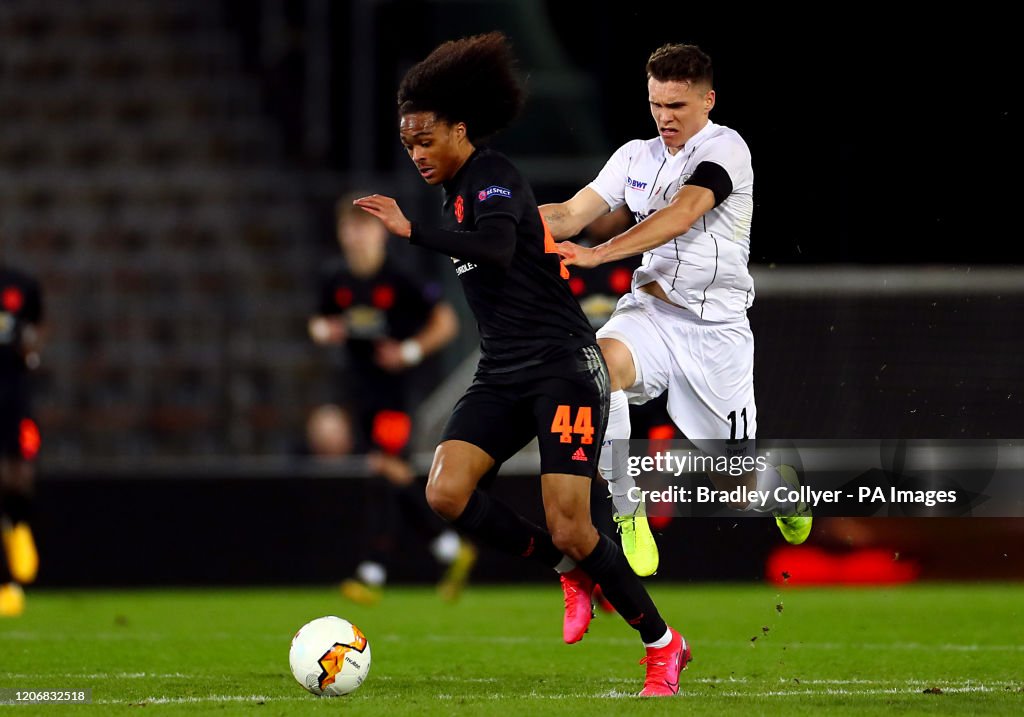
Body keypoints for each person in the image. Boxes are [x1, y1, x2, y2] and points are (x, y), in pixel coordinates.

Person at [355, 32, 690, 696]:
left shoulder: (493, 177)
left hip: (563, 365)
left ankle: (663, 643)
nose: (418, 153)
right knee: (445, 490)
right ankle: (570, 566)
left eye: (427, 140)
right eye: (408, 145)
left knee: (572, 516)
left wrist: (409, 231)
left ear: (459, 128)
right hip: (503, 369)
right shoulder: (451, 191)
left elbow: (500, 249)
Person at [540, 43, 811, 577]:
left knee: (737, 484)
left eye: (678, 106)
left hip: (716, 333)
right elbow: (570, 213)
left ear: (707, 101)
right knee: (595, 370)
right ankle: (627, 506)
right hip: (650, 315)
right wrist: (494, 223)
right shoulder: (634, 157)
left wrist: (600, 252)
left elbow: (685, 212)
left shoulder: (726, 148)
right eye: (657, 104)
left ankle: (781, 489)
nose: (665, 117)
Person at [309, 200, 474, 604]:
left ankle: (373, 570)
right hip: (359, 393)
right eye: (350, 228)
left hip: (397, 394)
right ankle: (448, 548)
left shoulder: (400, 278)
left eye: (364, 228)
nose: (357, 236)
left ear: (379, 232)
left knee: (383, 469)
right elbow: (318, 320)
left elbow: (447, 323)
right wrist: (323, 331)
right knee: (388, 474)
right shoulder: (336, 278)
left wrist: (410, 352)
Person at [0, 264, 44, 617]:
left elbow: (37, 327)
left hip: (14, 393)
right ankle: (6, 585)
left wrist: (32, 349)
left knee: (19, 475)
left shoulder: (21, 284)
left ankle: (19, 525)